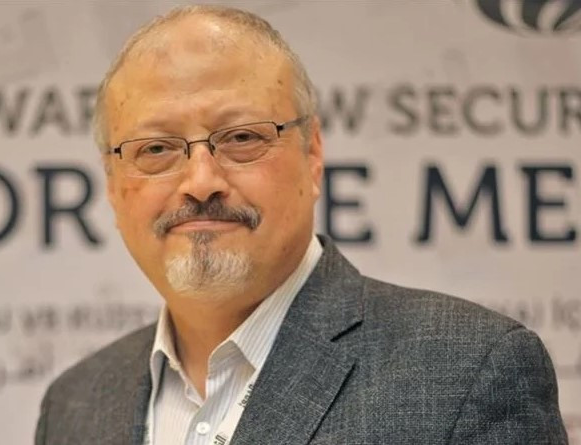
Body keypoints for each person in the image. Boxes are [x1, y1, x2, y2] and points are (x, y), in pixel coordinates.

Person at [35, 5, 567, 445]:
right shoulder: (75, 405)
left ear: (312, 154)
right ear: (112, 184)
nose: (201, 182)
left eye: (242, 138)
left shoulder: (468, 370)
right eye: (155, 149)